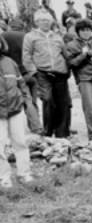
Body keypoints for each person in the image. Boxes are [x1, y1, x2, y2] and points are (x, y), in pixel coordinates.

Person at [22, 9, 70, 138]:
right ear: (37, 22)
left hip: (60, 73)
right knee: (48, 100)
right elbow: (26, 56)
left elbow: (65, 55)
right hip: (42, 73)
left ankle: (61, 133)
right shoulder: (30, 36)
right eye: (43, 20)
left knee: (62, 103)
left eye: (48, 21)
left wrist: (67, 70)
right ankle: (48, 132)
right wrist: (33, 72)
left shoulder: (57, 36)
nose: (46, 23)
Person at [0, 37, 33, 188]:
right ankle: (4, 177)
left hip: (15, 109)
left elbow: (21, 84)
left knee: (20, 142)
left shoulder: (10, 62)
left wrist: (25, 100)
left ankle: (24, 174)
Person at [66, 18, 92, 142]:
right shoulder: (72, 45)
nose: (86, 32)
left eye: (88, 30)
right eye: (83, 30)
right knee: (89, 108)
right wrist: (84, 55)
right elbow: (71, 63)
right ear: (78, 31)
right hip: (85, 78)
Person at [1, 18, 43, 135]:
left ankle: (10, 132)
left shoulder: (4, 36)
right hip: (30, 73)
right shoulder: (29, 36)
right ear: (22, 27)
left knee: (11, 104)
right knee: (30, 102)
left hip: (13, 76)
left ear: (10, 26)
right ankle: (36, 127)